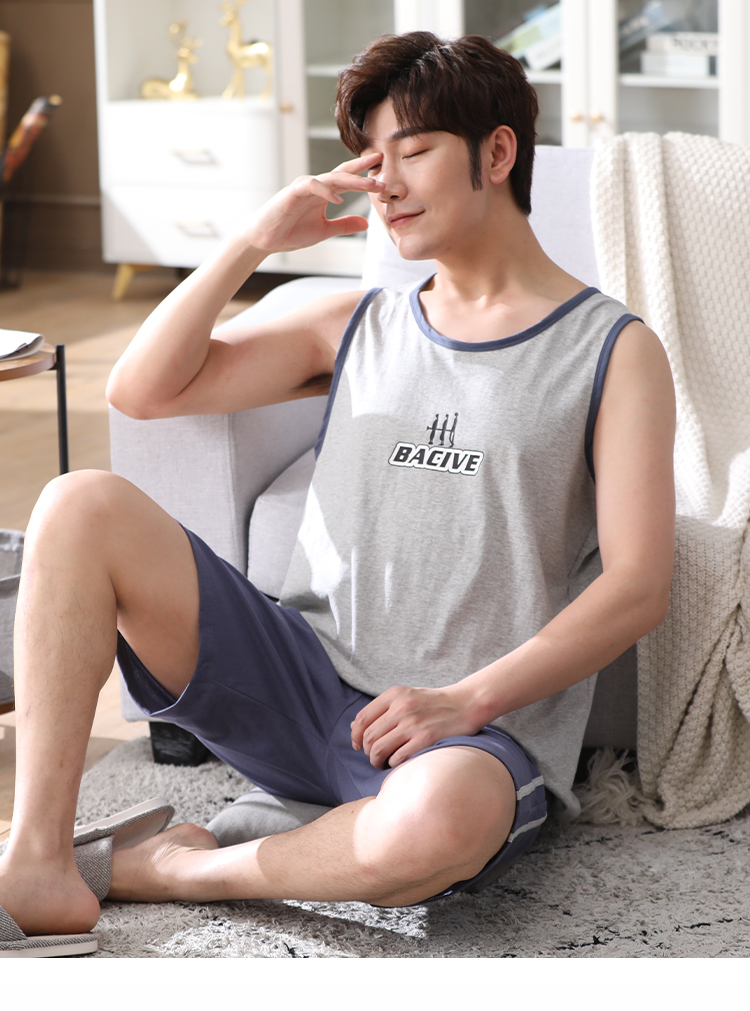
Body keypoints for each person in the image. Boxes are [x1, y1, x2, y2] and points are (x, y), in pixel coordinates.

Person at [0, 32, 675, 952]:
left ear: (497, 153)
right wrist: (253, 241)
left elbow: (638, 585)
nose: (384, 183)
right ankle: (40, 856)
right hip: (295, 679)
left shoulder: (613, 350)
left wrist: (463, 701)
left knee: (433, 827)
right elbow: (140, 389)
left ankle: (176, 868)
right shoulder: (355, 323)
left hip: (458, 738)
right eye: (372, 159)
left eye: (414, 151)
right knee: (77, 502)